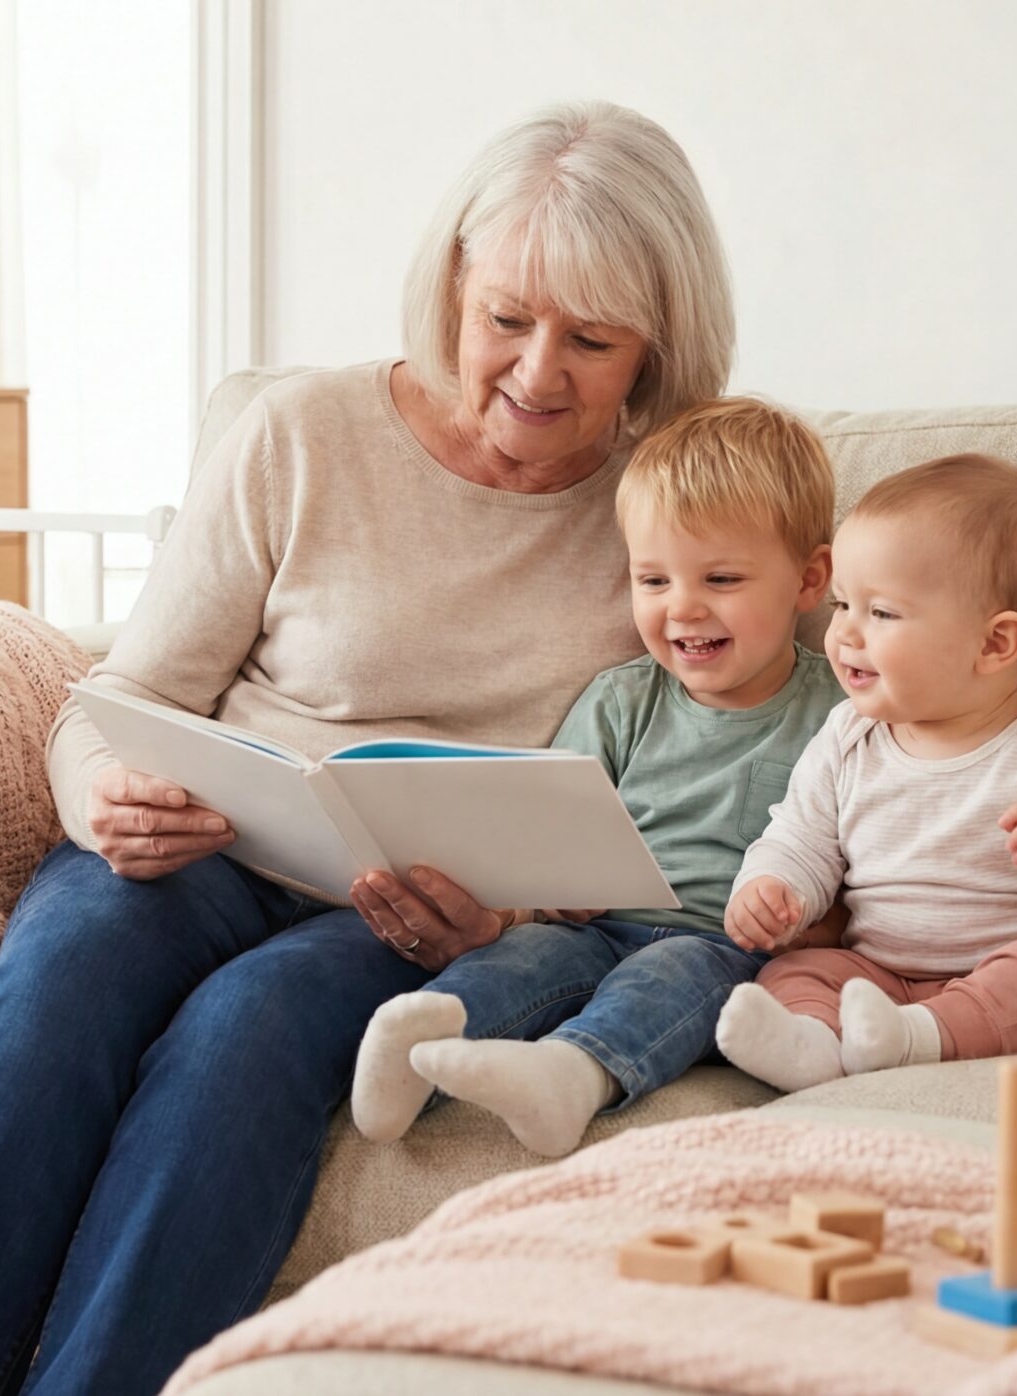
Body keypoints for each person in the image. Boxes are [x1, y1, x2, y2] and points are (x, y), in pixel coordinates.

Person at [0, 101, 738, 1395]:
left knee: (246, 1030)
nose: (538, 373)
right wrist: (106, 803)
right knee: (59, 985)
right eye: (506, 320)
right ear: (451, 287)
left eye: (591, 341)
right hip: (214, 835)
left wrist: (513, 924)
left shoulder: (685, 504)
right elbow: (114, 696)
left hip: (425, 909)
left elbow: (730, 777)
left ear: (660, 340)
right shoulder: (302, 433)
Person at [348, 397, 840, 1157]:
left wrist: (807, 926)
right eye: (653, 580)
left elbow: (868, 867)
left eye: (721, 577)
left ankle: (573, 1075)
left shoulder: (841, 718)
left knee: (671, 972)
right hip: (599, 925)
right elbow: (543, 837)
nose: (684, 607)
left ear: (810, 580)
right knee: (526, 960)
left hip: (721, 945)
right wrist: (546, 891)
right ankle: (423, 1042)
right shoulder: (620, 699)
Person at [715, 453, 1017, 1090]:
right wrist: (775, 888)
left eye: (881, 613)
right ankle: (812, 1045)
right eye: (841, 606)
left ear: (995, 644)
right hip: (879, 976)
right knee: (794, 975)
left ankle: (917, 1038)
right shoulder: (847, 735)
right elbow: (799, 838)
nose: (845, 635)